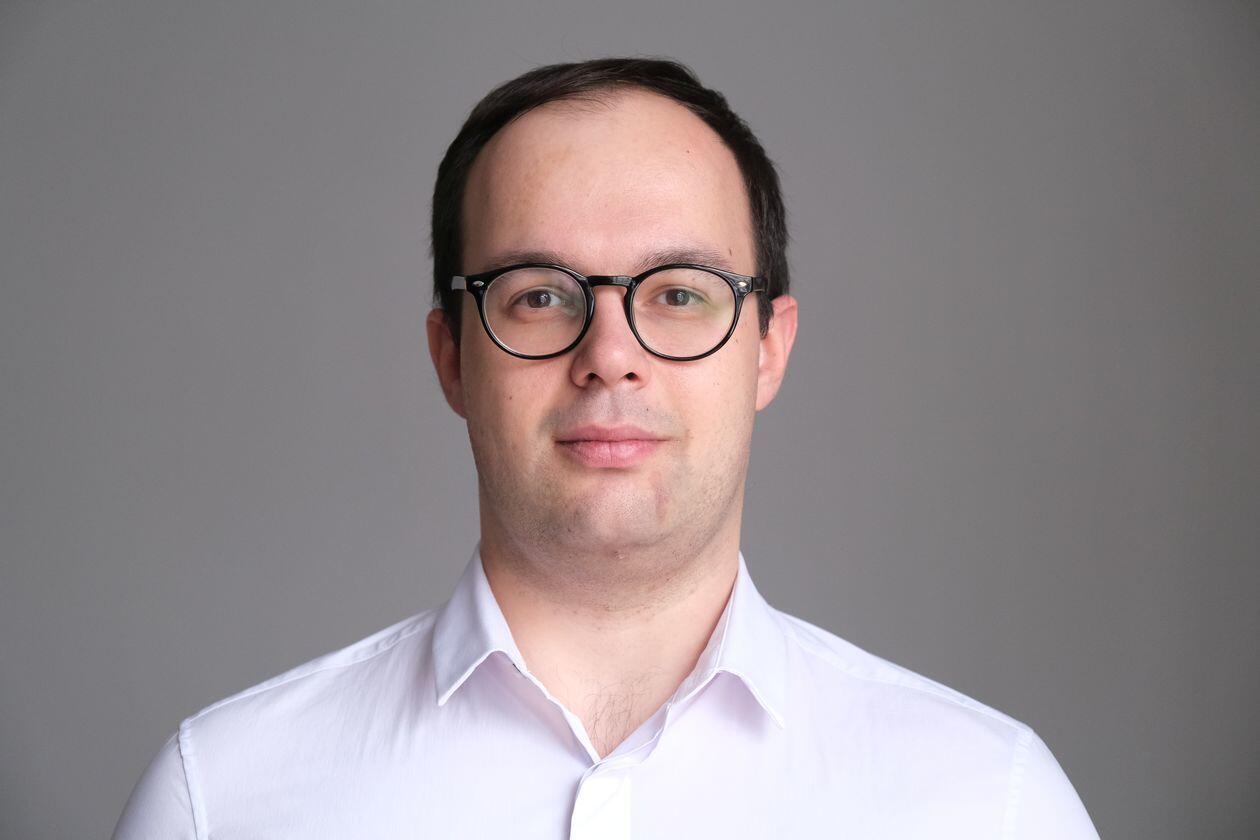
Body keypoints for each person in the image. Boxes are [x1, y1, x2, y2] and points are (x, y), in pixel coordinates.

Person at [112, 57, 1099, 839]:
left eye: (679, 293)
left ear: (768, 350)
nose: (611, 357)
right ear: (452, 359)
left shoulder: (992, 804)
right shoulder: (220, 802)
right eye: (540, 295)